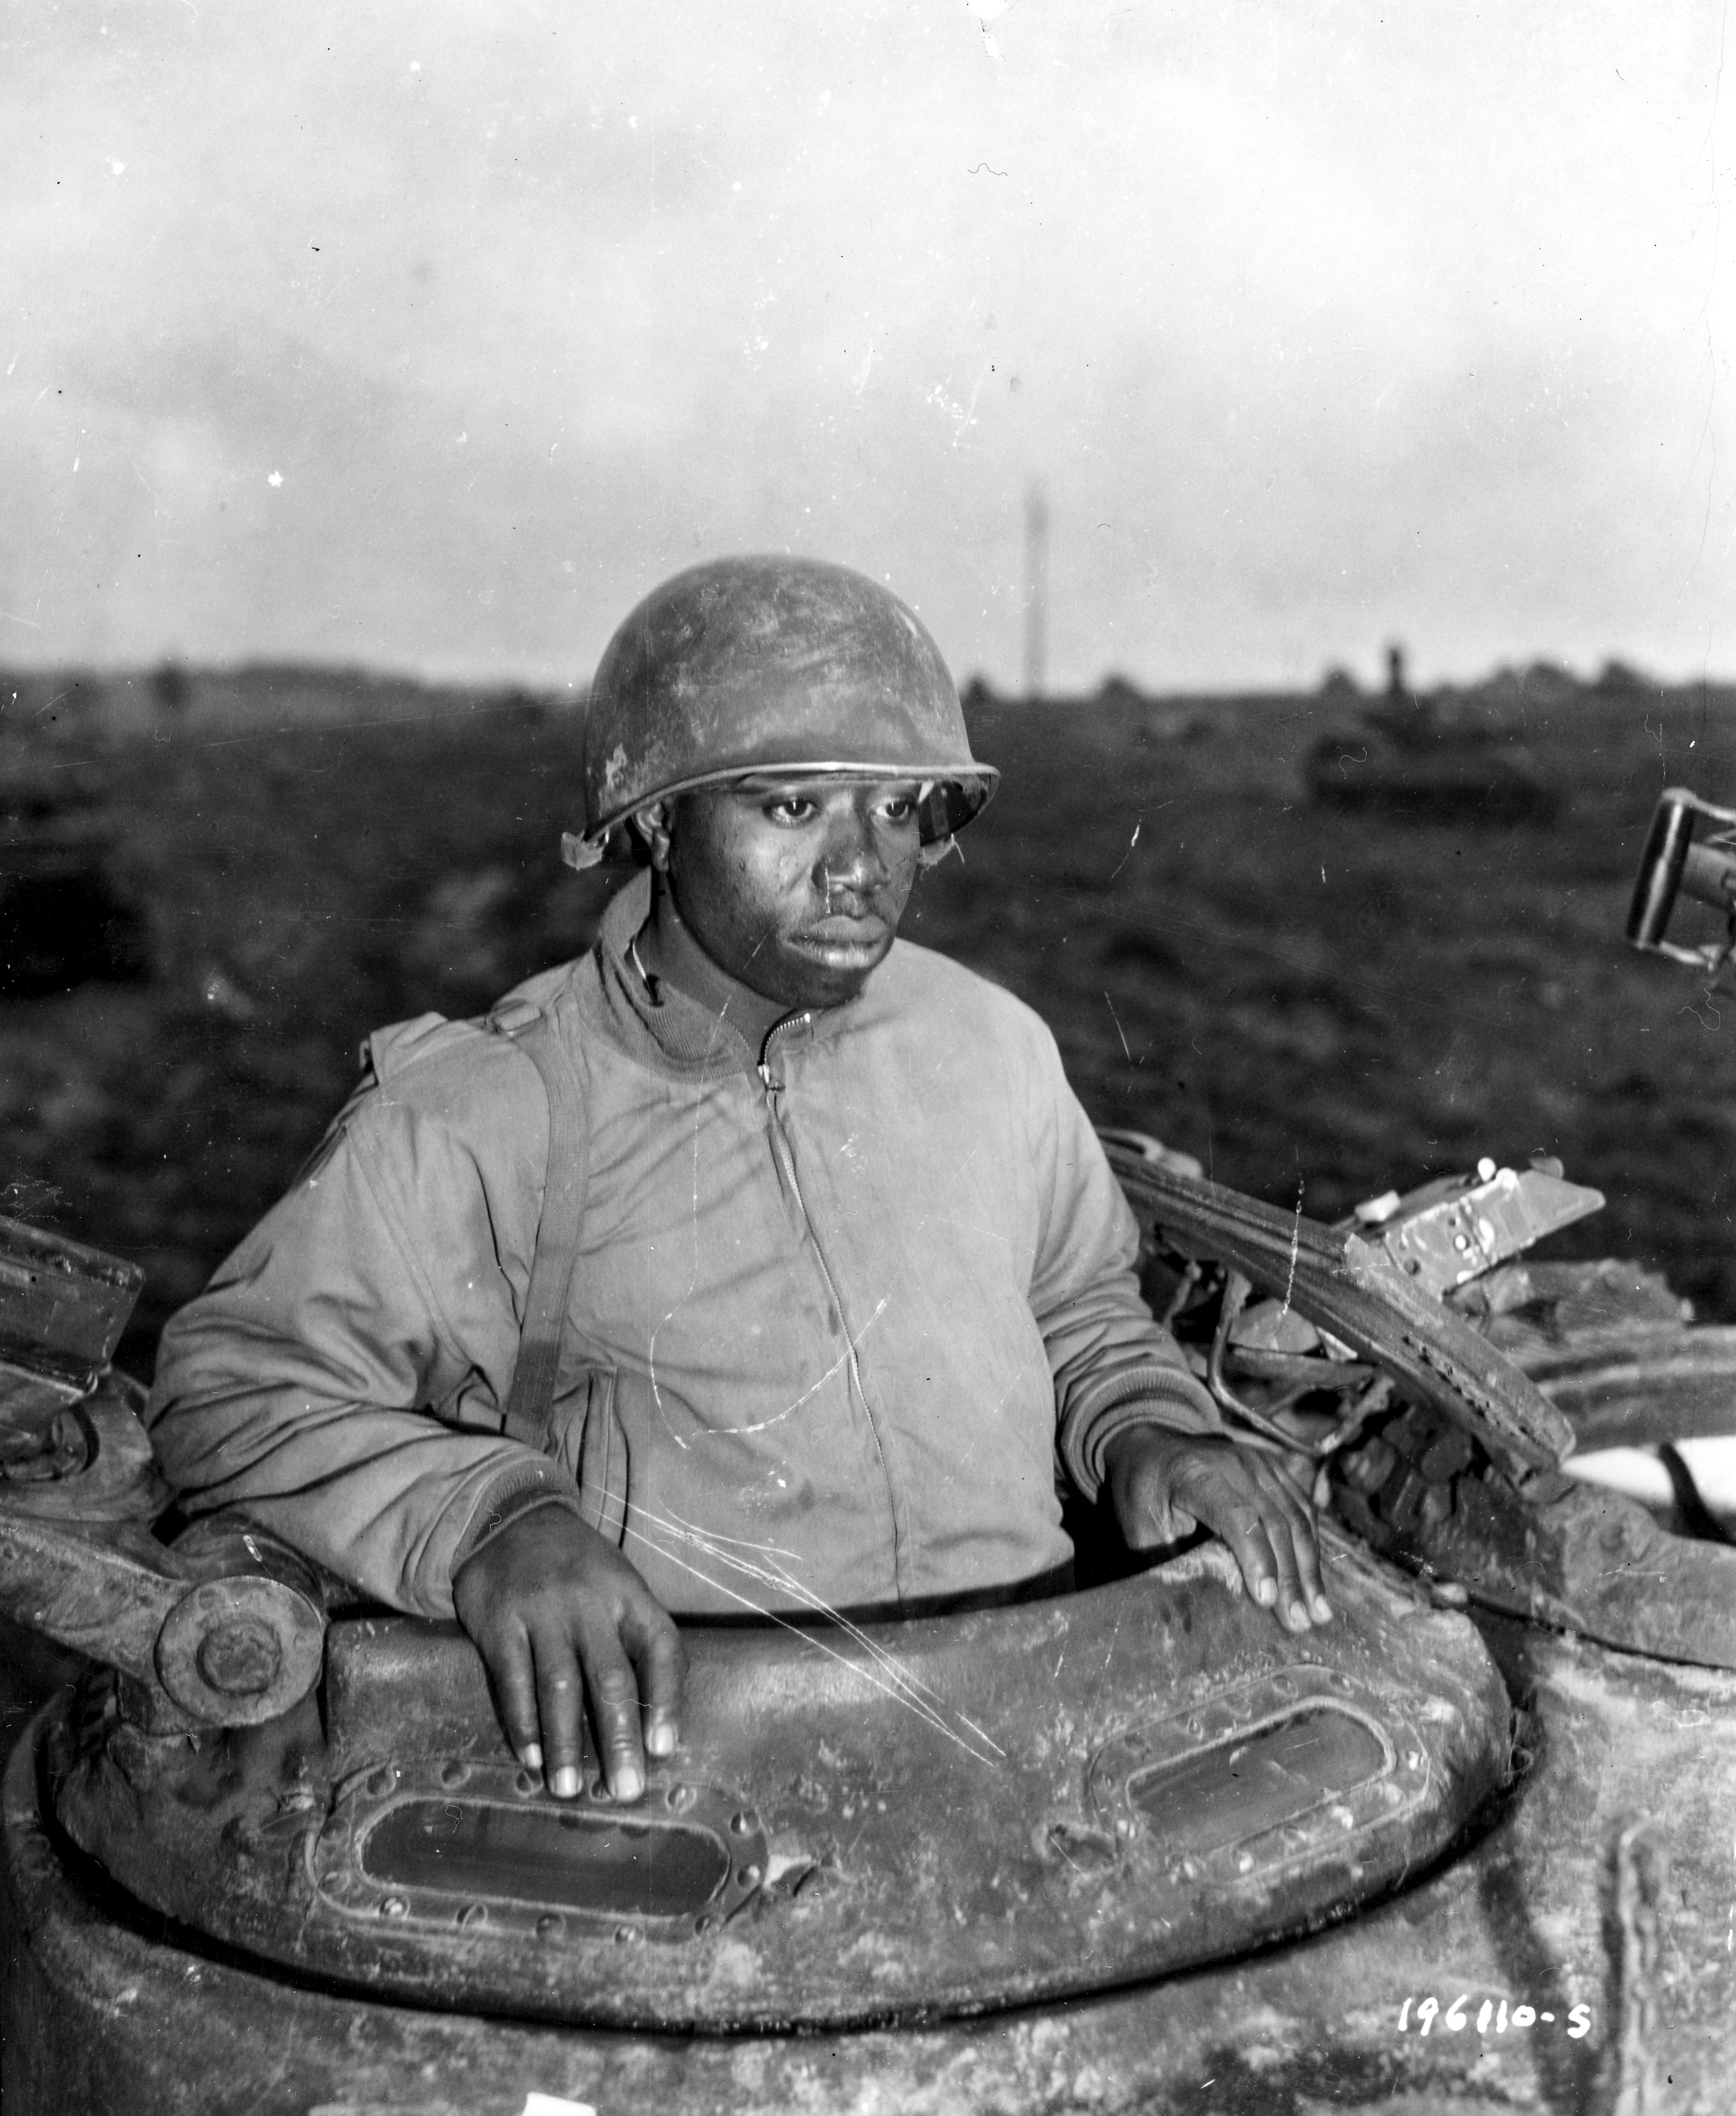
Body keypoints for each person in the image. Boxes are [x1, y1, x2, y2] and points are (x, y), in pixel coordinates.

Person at [147, 555, 1330, 1807]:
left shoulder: (988, 1045)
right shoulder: (491, 1109)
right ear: (657, 819)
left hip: (1036, 1730)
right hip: (695, 1781)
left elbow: (1079, 1308)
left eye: (894, 808)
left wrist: (1147, 1432)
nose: (859, 866)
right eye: (791, 807)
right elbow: (233, 1387)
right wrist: (491, 1522)